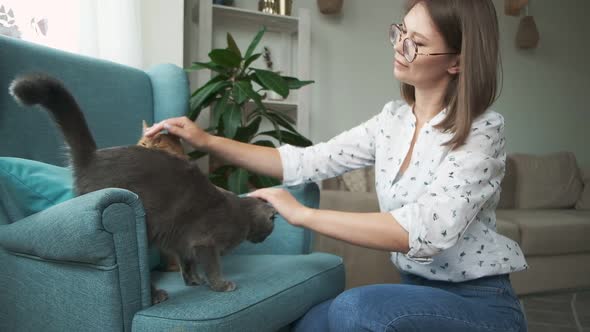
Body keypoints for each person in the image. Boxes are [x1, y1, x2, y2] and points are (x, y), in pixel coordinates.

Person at [144, 0, 528, 330]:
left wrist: (302, 214)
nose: (399, 47)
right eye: (401, 32)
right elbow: (306, 160)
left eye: (418, 44)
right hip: (415, 290)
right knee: (304, 323)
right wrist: (206, 140)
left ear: (457, 63)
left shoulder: (483, 131)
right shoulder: (392, 121)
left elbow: (424, 231)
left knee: (353, 310)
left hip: (480, 305)